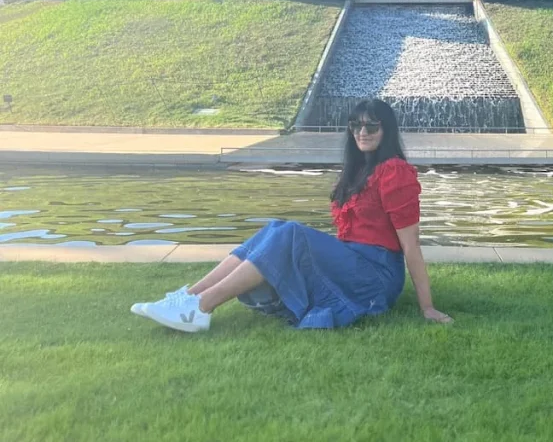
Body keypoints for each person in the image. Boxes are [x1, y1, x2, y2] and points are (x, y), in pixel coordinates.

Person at [131, 99, 453, 332]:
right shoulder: (358, 171)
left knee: (291, 233)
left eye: (372, 125)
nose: (362, 131)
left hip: (375, 276)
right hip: (351, 261)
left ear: (387, 130)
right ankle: (188, 297)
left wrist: (427, 307)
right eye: (356, 125)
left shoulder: (394, 172)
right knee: (277, 227)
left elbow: (411, 245)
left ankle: (201, 308)